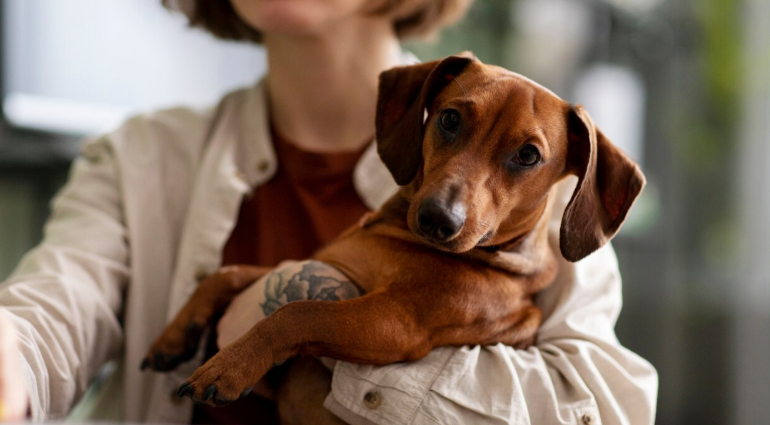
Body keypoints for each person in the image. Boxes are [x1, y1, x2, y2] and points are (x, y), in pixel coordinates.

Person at [0, 0, 658, 423]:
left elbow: (604, 408)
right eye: (451, 124)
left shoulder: (556, 238)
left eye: (519, 159)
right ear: (428, 111)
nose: (464, 179)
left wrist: (280, 323)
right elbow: (49, 315)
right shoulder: (139, 156)